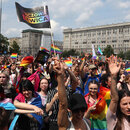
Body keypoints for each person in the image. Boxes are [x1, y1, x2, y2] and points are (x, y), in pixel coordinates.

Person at [55, 61, 91, 130]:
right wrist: (60, 76)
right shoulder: (65, 124)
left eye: (82, 110)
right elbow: (63, 104)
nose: (80, 113)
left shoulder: (88, 122)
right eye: (76, 111)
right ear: (70, 110)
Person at [106, 56, 130, 130]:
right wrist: (113, 76)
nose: (129, 107)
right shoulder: (113, 119)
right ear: (118, 106)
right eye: (124, 104)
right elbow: (114, 99)